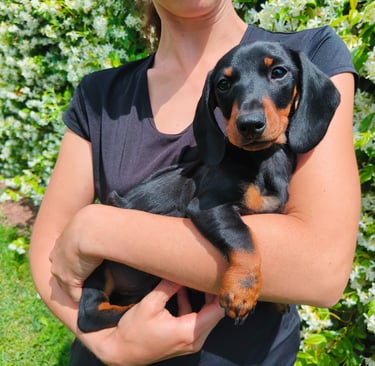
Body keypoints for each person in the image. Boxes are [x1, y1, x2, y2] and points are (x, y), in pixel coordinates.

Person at [30, 1, 361, 365]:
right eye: (225, 86)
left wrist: (96, 227)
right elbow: (49, 250)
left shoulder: (314, 53)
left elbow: (321, 271)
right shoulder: (99, 95)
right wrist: (110, 346)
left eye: (278, 74)